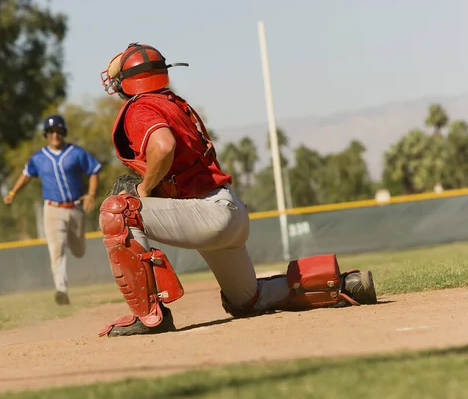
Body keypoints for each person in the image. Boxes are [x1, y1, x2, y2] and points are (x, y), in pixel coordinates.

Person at [96, 42, 377, 338]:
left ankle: (149, 317)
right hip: (227, 211)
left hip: (206, 214)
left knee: (119, 210)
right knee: (247, 299)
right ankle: (345, 285)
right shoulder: (172, 102)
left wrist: (145, 188)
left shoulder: (141, 107)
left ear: (126, 83)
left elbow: (163, 146)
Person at [4, 114, 101, 305]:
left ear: (63, 132)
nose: (55, 135)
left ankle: (63, 286)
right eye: (51, 132)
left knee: (78, 250)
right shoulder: (39, 158)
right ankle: (61, 290)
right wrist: (13, 192)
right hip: (52, 209)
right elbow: (26, 175)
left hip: (75, 208)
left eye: (58, 131)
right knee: (56, 248)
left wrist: (91, 194)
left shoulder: (76, 153)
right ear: (46, 134)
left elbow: (94, 170)